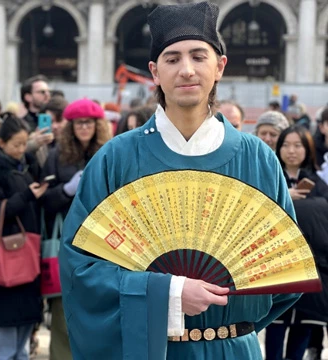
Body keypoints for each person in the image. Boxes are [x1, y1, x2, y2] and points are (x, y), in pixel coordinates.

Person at [58, 2, 300, 359]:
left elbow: (284, 272)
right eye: (172, 59)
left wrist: (230, 321)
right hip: (151, 350)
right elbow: (81, 269)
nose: (186, 70)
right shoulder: (117, 158)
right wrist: (167, 294)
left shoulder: (257, 158)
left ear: (219, 66)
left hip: (234, 350)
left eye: (198, 56)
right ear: (155, 72)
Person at [41, 98, 111, 360]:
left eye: (89, 123)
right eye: (79, 123)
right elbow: (45, 200)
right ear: (71, 126)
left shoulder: (108, 152)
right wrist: (65, 190)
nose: (84, 128)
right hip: (66, 241)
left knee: (98, 309)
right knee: (62, 313)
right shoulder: (55, 156)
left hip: (102, 243)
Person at [0, 115, 46, 360]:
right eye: (16, 144)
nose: (20, 149)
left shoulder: (25, 163)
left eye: (24, 143)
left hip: (27, 255)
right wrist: (26, 196)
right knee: (5, 337)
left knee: (23, 340)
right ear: (2, 142)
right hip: (6, 256)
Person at [265, 125, 328, 360]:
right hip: (276, 273)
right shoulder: (270, 179)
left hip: (310, 275)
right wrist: (284, 196)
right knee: (273, 337)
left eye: (298, 145)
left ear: (308, 149)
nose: (291, 151)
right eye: (286, 145)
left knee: (299, 342)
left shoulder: (319, 185)